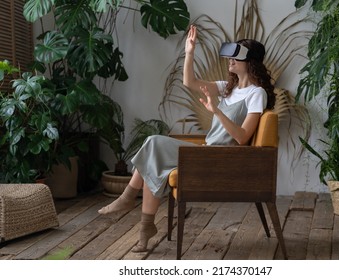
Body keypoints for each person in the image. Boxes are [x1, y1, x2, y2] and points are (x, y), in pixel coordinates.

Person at [97, 25, 276, 253]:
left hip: (222, 158)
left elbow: (242, 138)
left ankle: (129, 200)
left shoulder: (256, 94)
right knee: (154, 153)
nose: (229, 60)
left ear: (250, 61)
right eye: (230, 55)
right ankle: (145, 227)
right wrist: (189, 52)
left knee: (153, 144)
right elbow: (190, 82)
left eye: (235, 56)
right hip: (207, 151)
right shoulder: (228, 88)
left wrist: (217, 111)